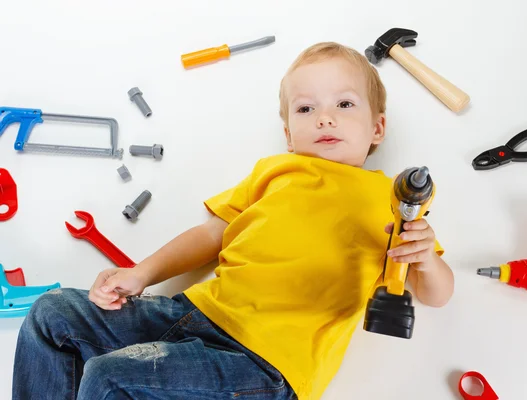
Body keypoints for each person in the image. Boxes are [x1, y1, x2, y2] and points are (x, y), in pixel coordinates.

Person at [12, 42, 454, 400]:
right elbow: (210, 234)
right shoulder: (274, 172)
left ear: (377, 128)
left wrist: (425, 260)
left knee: (110, 379)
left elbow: (436, 294)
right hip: (193, 314)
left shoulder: (391, 198)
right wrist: (140, 273)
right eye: (305, 109)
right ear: (288, 134)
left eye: (344, 103)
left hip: (264, 362)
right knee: (52, 313)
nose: (325, 117)